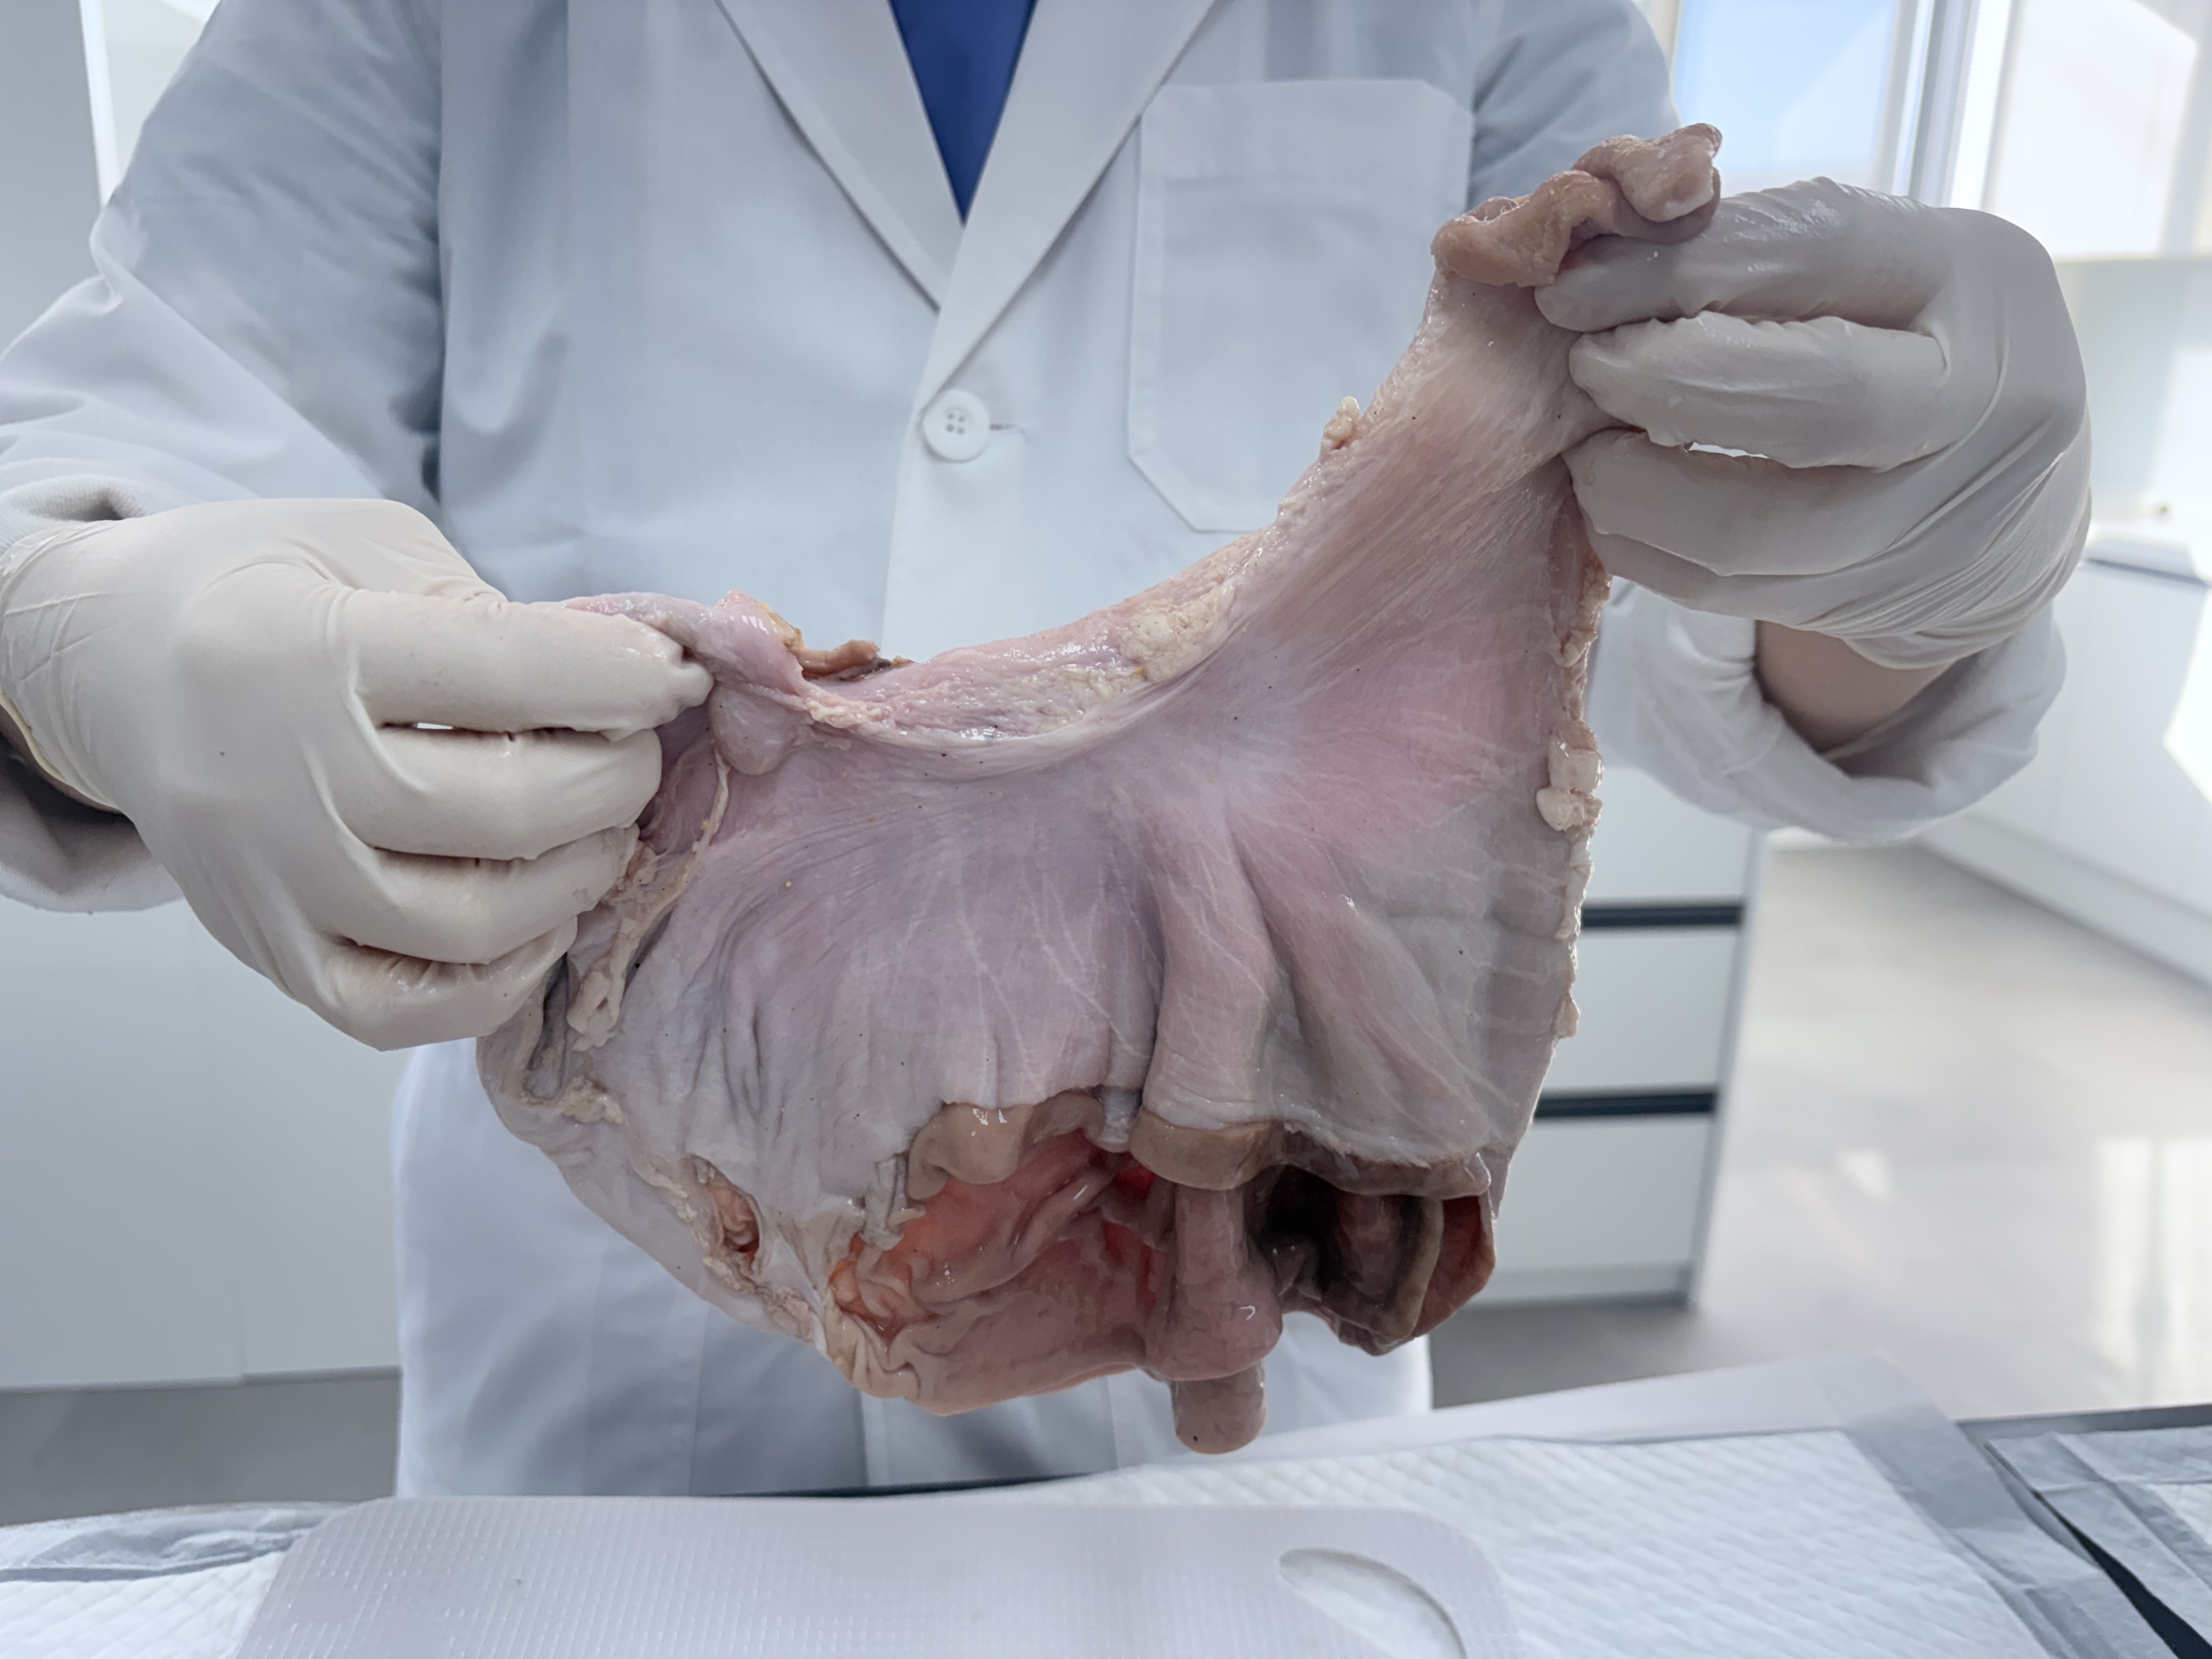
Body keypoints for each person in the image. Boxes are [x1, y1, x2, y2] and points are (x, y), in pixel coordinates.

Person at [0, 0, 2085, 1496]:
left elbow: (1644, 583)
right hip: (624, 1315)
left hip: (1235, 1257)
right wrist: (104, 627)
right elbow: (148, 407)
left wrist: (1892, 589)